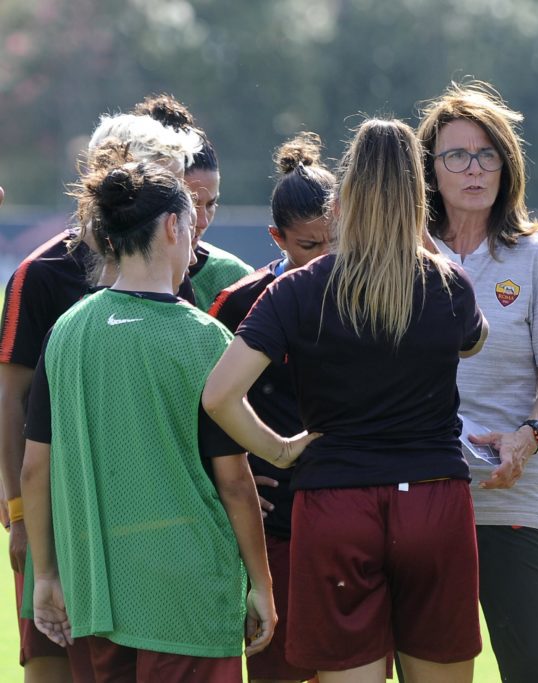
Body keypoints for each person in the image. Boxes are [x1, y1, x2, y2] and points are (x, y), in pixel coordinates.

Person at [202, 118, 488, 683]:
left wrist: (280, 451)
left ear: (344, 197)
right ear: (418, 195)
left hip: (335, 507)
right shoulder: (448, 285)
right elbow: (474, 341)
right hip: (433, 500)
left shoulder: (298, 288)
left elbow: (219, 395)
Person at [20, 160, 275, 681]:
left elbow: (34, 470)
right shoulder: (205, 338)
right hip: (189, 592)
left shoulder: (67, 332)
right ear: (172, 227)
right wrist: (262, 586)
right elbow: (233, 481)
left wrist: (46, 575)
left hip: (95, 590)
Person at [0, 111, 201, 683]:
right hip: (60, 517)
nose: (177, 203)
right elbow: (10, 399)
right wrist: (19, 516)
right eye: (165, 178)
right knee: (55, 660)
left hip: (152, 523)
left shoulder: (178, 271)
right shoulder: (41, 275)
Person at [415, 81, 538, 683]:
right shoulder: (405, 257)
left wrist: (527, 436)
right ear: (430, 169)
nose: (473, 169)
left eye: (487, 154)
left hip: (513, 498)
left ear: (508, 166)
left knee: (534, 667)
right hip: (422, 493)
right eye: (456, 155)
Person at [208, 131, 335, 683]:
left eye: (337, 241)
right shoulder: (239, 302)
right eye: (309, 246)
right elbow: (208, 407)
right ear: (276, 237)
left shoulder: (378, 293)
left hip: (352, 515)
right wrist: (233, 479)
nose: (325, 258)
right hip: (275, 530)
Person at [134, 94, 254, 310]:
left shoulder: (237, 280)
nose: (202, 221)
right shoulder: (100, 275)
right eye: (190, 203)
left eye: (211, 204)